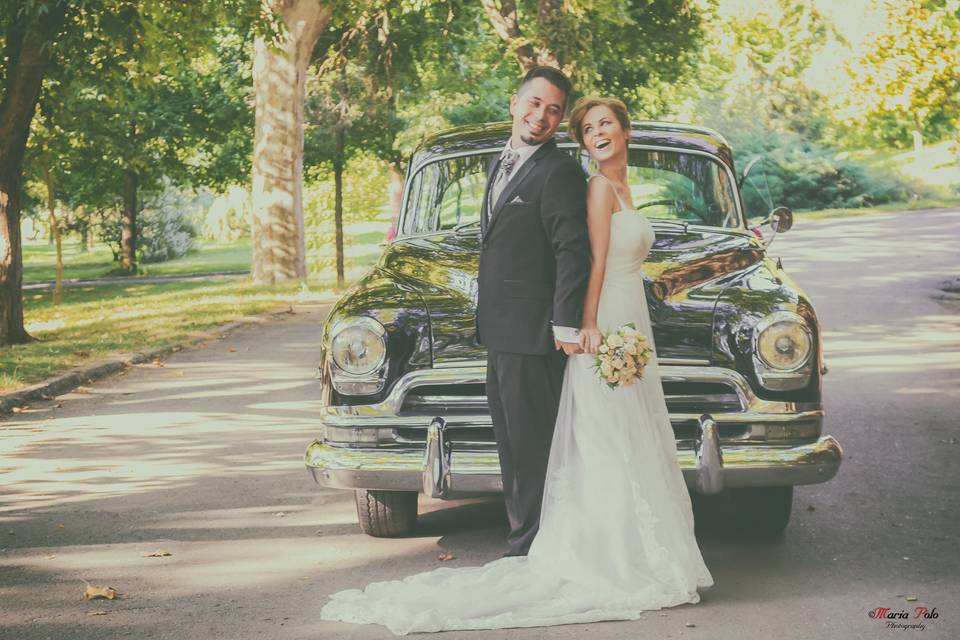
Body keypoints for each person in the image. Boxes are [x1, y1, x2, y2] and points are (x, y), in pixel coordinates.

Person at [319, 94, 714, 635]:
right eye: (588, 126)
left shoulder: (601, 183)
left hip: (616, 319)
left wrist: (579, 320)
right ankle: (596, 550)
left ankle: (627, 548)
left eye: (604, 123)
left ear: (625, 129)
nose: (595, 131)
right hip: (588, 321)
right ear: (517, 104)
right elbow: (582, 255)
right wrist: (584, 321)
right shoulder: (587, 182)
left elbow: (580, 252)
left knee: (623, 437)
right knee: (599, 438)